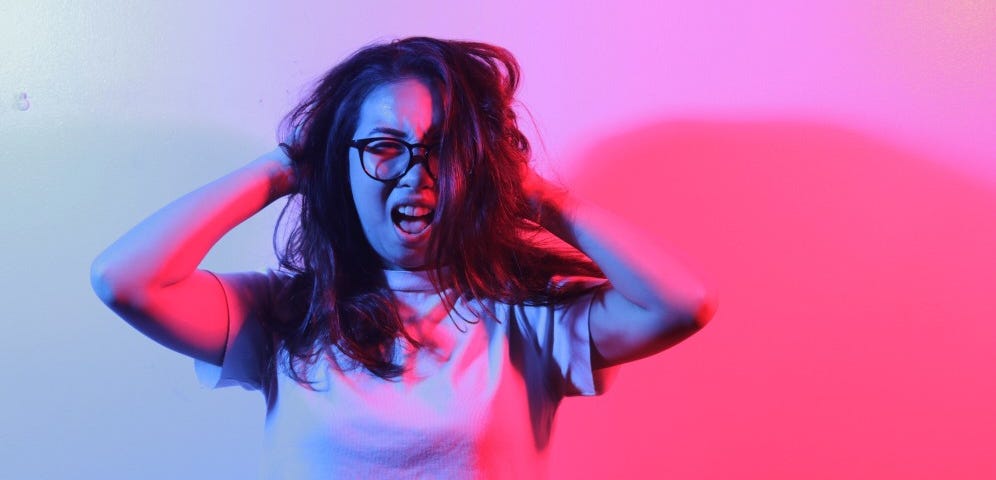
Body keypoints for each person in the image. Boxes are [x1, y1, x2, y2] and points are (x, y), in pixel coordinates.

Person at [90, 37, 717, 479]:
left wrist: (538, 197)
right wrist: (284, 168)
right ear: (343, 163)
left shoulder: (531, 319)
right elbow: (124, 280)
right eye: (385, 146)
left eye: (444, 147)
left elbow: (682, 303)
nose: (415, 173)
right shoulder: (281, 312)